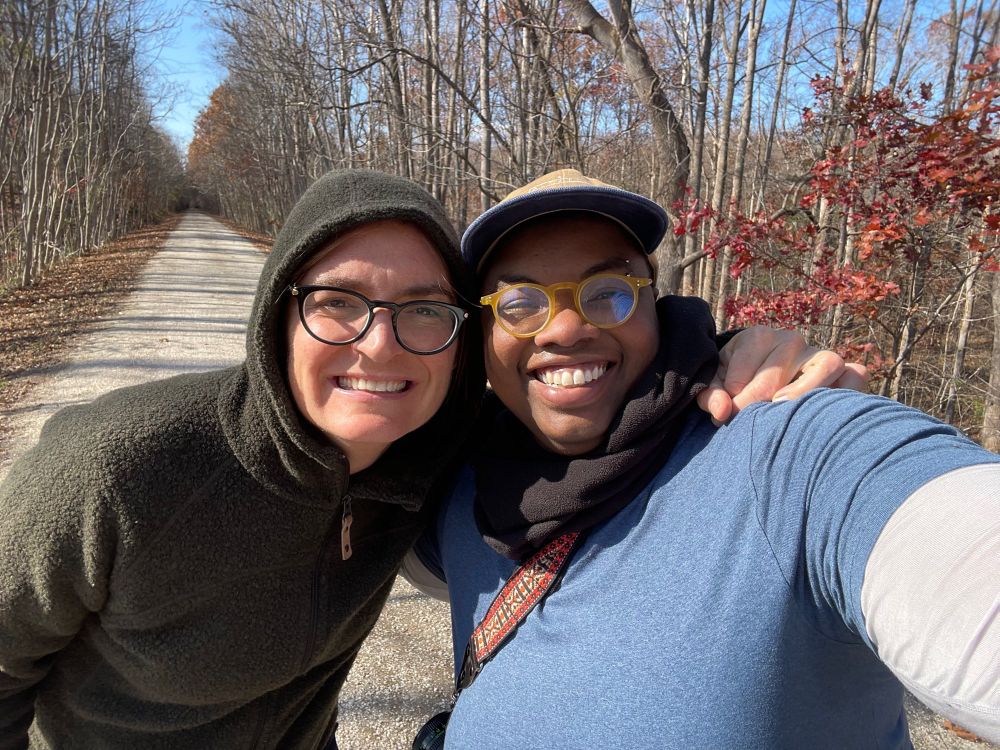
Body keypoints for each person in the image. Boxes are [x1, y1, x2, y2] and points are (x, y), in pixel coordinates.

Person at [0, 168, 853, 749]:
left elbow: (585, 390)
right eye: (338, 305)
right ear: (276, 316)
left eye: (422, 311)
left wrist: (736, 353)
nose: (379, 347)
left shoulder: (439, 448)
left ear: (459, 340)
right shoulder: (118, 470)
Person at [408, 169, 1000, 748]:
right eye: (518, 302)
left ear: (654, 303)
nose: (565, 329)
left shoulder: (782, 450)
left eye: (609, 293)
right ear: (481, 331)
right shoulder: (464, 483)